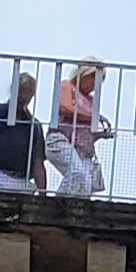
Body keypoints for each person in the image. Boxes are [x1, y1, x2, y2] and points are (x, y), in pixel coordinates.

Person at [0, 70, 50, 191]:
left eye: (28, 92)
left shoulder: (34, 126)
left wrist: (43, 195)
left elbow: (38, 163)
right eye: (20, 90)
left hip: (19, 180)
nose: (22, 96)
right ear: (12, 90)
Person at [49, 60, 113, 196]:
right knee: (77, 173)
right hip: (61, 139)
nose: (94, 87)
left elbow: (83, 129)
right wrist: (95, 117)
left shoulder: (91, 100)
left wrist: (100, 135)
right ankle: (54, 204)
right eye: (93, 81)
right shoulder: (67, 86)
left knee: (86, 184)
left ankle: (71, 206)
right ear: (84, 74)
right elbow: (66, 108)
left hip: (81, 148)